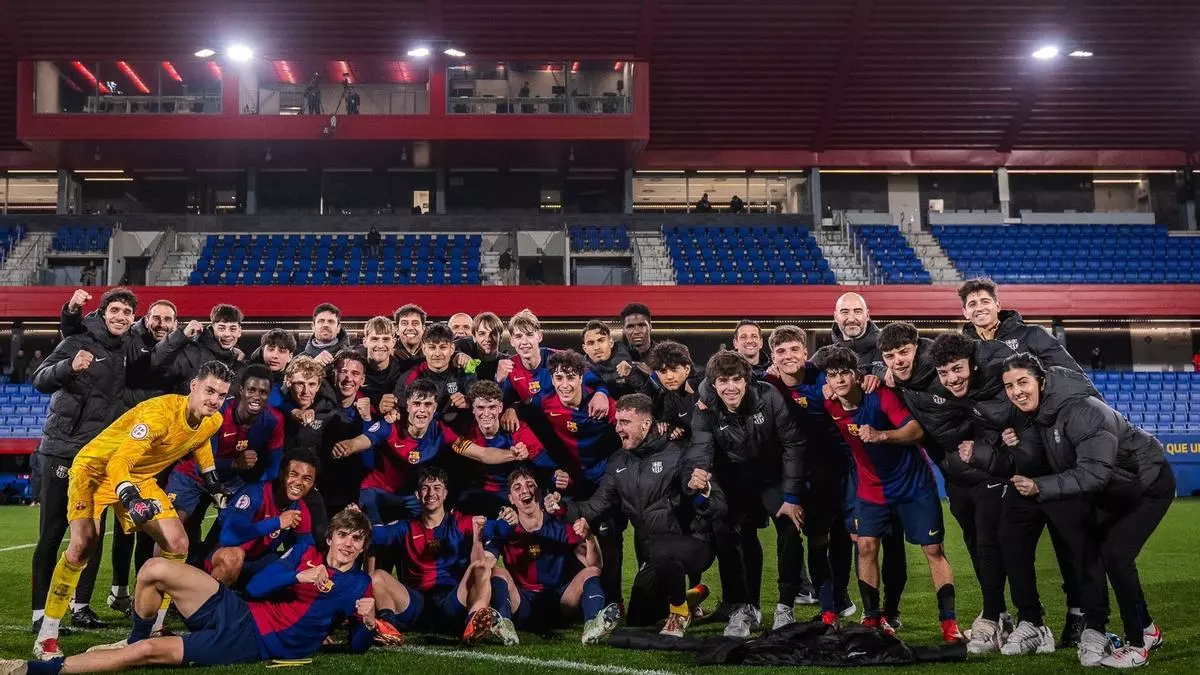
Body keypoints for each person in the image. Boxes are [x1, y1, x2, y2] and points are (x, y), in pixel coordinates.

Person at [6, 509, 381, 674]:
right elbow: (256, 586)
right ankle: (136, 635)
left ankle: (32, 670)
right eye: (343, 536)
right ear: (330, 537)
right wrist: (299, 576)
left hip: (250, 643)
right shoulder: (305, 552)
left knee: (146, 654)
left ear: (363, 546)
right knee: (153, 569)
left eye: (356, 539)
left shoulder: (359, 585)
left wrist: (367, 622)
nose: (348, 544)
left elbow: (358, 647)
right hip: (239, 609)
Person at [33, 361, 234, 660]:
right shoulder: (159, 415)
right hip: (96, 470)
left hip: (138, 476)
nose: (214, 400)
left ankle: (157, 627)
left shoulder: (213, 419)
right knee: (83, 545)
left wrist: (212, 480)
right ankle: (47, 635)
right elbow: (118, 462)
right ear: (194, 386)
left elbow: (200, 439)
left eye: (221, 395)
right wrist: (130, 498)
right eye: (209, 391)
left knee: (177, 543)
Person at [997, 354, 1173, 668]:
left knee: (1116, 555)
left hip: (1148, 483)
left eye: (1023, 382)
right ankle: (1147, 630)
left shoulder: (1082, 410)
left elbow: (1094, 474)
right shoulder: (1043, 412)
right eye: (1009, 386)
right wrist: (1016, 444)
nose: (1016, 391)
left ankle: (1137, 645)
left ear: (1042, 381)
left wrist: (1039, 486)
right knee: (1100, 550)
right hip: (1116, 489)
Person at [814, 346, 963, 644]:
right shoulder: (828, 402)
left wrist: (882, 435)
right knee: (866, 546)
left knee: (933, 549)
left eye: (845, 373)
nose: (839, 380)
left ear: (857, 375)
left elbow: (916, 431)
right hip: (872, 487)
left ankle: (948, 621)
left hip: (913, 485)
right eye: (832, 375)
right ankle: (872, 617)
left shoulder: (879, 395)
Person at [553, 394, 725, 638]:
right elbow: (597, 505)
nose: (618, 428)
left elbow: (716, 506)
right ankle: (690, 597)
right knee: (638, 618)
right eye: (617, 421)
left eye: (625, 422)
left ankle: (679, 612)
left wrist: (702, 491)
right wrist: (561, 508)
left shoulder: (677, 452)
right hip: (653, 553)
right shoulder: (618, 461)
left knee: (662, 548)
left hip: (693, 544)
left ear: (646, 424)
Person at [31, 288, 140, 635]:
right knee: (52, 532)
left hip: (99, 456)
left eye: (127, 312)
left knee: (92, 532)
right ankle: (39, 614)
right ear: (103, 313)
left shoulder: (128, 348)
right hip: (64, 448)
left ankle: (81, 607)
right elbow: (40, 379)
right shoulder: (78, 339)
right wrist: (69, 366)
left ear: (133, 319)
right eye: (115, 310)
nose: (121, 317)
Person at [684, 350, 805, 638]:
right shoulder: (706, 406)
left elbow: (793, 444)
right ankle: (748, 608)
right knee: (739, 535)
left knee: (790, 528)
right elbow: (701, 446)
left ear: (747, 380)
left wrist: (791, 497)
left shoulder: (769, 396)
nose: (731, 387)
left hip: (773, 475)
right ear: (713, 384)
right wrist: (699, 473)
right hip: (736, 479)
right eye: (723, 381)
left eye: (736, 380)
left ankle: (785, 607)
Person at [763, 325, 856, 623]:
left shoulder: (822, 377)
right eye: (781, 351)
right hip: (797, 472)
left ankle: (839, 594)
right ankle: (820, 602)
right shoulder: (767, 385)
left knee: (842, 534)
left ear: (806, 352)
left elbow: (855, 379)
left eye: (794, 349)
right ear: (773, 357)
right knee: (813, 537)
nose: (788, 356)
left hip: (836, 467)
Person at [482, 469, 620, 644]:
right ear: (511, 499)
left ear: (538, 492)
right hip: (522, 604)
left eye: (530, 485)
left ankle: (593, 624)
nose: (525, 490)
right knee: (496, 572)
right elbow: (485, 564)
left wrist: (590, 537)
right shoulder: (506, 529)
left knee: (591, 572)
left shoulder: (559, 525)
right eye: (517, 488)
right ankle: (505, 625)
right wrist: (490, 530)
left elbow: (595, 565)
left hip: (561, 602)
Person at [166, 365, 285, 566]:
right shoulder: (219, 413)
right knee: (173, 530)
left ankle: (202, 569)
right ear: (241, 391)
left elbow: (273, 467)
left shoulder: (274, 420)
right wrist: (235, 464)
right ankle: (157, 578)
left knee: (227, 536)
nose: (257, 397)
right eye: (252, 390)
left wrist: (257, 492)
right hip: (193, 475)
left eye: (263, 392)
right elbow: (202, 464)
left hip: (234, 483)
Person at [369, 467, 500, 643]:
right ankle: (388, 629)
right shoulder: (405, 527)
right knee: (377, 576)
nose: (431, 493)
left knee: (481, 567)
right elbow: (373, 536)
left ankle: (473, 624)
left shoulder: (462, 522)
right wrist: (359, 520)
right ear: (417, 495)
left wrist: (510, 518)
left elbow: (501, 530)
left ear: (445, 494)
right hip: (416, 604)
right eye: (425, 488)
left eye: (437, 488)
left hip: (453, 602)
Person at [207, 451, 318, 588]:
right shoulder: (255, 494)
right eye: (293, 474)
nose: (299, 483)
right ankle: (210, 598)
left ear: (312, 484)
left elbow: (307, 547)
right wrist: (277, 522)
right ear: (281, 474)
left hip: (256, 562)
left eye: (307, 479)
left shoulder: (300, 509)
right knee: (233, 557)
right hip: (221, 558)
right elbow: (228, 537)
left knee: (295, 563)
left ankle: (251, 595)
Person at [454, 380, 558, 518]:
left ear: (500, 407)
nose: (486, 413)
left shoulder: (517, 429)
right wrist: (513, 455)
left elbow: (546, 464)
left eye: (492, 407)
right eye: (480, 407)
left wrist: (557, 480)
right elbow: (480, 455)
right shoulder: (465, 431)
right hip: (487, 493)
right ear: (473, 409)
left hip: (519, 491)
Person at [959, 278, 1082, 372]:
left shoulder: (1034, 334)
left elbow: (1070, 374)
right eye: (972, 304)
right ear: (965, 313)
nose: (980, 308)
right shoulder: (963, 348)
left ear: (998, 306)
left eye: (985, 302)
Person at [396, 323, 476, 428]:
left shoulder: (465, 372)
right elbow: (399, 411)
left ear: (452, 349)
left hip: (458, 432)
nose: (437, 354)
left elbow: (480, 403)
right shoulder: (410, 377)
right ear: (424, 349)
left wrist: (469, 402)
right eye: (432, 347)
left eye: (443, 347)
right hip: (423, 433)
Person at [152, 304, 245, 395]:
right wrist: (181, 334)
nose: (227, 334)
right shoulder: (192, 354)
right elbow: (156, 361)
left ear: (239, 331)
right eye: (221, 328)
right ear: (213, 328)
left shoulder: (239, 361)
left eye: (232, 329)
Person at [643, 340, 704, 442]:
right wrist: (669, 427)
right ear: (657, 374)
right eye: (663, 371)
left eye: (674, 369)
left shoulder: (705, 385)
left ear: (687, 369)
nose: (669, 377)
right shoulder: (669, 398)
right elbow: (669, 419)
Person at [581, 319, 646, 400]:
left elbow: (648, 396)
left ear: (611, 342)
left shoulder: (633, 357)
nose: (596, 347)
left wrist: (631, 374)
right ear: (585, 348)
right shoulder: (579, 372)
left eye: (601, 340)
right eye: (591, 343)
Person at [357, 316, 406, 410]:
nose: (380, 345)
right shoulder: (354, 369)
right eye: (374, 339)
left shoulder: (403, 370)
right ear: (365, 342)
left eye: (386, 339)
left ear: (393, 342)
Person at [453, 312, 509, 382]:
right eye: (482, 334)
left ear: (500, 337)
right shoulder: (464, 357)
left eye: (493, 334)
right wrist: (456, 355)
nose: (488, 339)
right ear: (474, 337)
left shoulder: (509, 362)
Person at [392, 304, 427, 373]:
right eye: (404, 323)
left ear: (423, 328)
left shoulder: (431, 354)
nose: (410, 328)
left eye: (415, 323)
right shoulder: (388, 356)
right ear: (397, 329)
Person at [619, 303, 655, 369]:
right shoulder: (616, 357)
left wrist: (652, 374)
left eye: (641, 325)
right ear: (623, 329)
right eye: (630, 326)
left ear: (650, 327)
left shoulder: (665, 356)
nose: (636, 331)